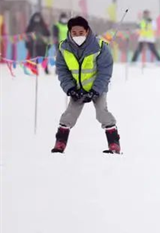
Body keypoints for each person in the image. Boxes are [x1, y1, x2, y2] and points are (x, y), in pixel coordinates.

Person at [51, 16, 120, 154]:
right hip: (77, 89)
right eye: (74, 33)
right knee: (69, 115)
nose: (77, 36)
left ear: (87, 31)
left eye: (81, 33)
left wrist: (96, 90)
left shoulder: (100, 47)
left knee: (102, 113)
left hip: (97, 89)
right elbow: (62, 71)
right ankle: (60, 143)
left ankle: (114, 144)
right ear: (69, 32)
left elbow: (105, 71)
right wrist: (70, 89)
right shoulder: (63, 48)